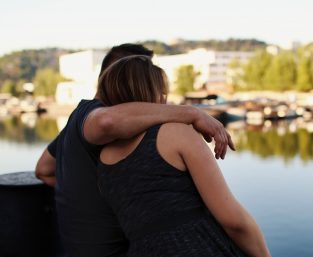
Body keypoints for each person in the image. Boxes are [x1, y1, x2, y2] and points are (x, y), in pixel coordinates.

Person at [35, 43, 235, 257]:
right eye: (145, 72)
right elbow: (107, 121)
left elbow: (44, 169)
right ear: (124, 75)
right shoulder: (94, 112)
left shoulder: (77, 121)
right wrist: (192, 114)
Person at [96, 55, 271, 256]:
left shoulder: (103, 159)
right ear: (156, 94)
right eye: (162, 92)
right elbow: (234, 221)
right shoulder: (176, 134)